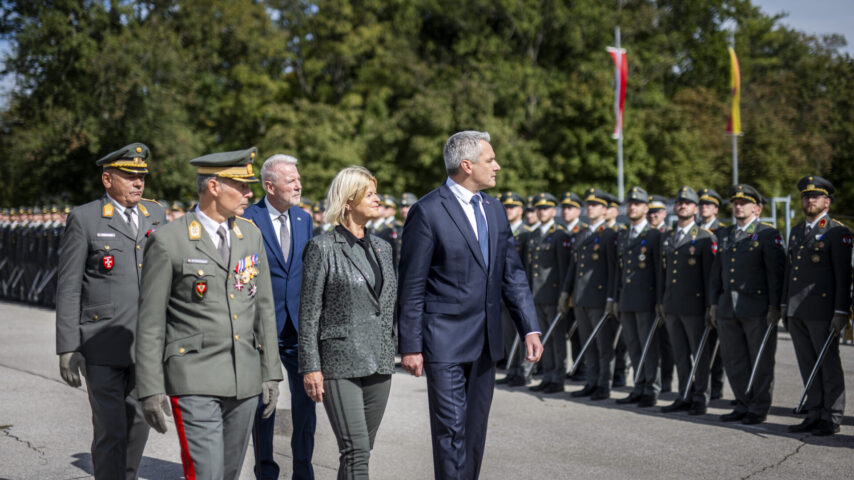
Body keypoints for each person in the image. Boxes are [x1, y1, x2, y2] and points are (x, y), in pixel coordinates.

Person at [397, 131, 543, 479]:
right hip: (443, 341)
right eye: (490, 160)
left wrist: (530, 328)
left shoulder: (493, 209)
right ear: (467, 165)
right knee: (451, 432)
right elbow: (412, 285)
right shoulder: (428, 211)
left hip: (486, 342)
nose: (498, 166)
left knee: (474, 433)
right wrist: (411, 345)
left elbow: (512, 273)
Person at [135, 147, 282, 480]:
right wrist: (149, 386)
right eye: (241, 185)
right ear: (214, 187)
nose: (250, 193)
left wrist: (271, 371)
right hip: (194, 377)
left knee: (228, 474)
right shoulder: (169, 240)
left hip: (244, 379)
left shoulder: (250, 236)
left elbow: (263, 308)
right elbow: (150, 322)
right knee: (206, 474)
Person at [55, 142, 166, 479]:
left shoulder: (156, 215)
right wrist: (67, 346)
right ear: (107, 179)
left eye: (141, 177)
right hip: (100, 342)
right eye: (129, 176)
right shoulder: (85, 218)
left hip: (144, 345)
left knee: (138, 428)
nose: (138, 183)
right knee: (110, 430)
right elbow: (69, 286)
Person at [299, 166, 398, 479]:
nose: (377, 199)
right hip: (339, 362)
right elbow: (309, 312)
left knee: (361, 450)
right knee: (354, 450)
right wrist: (310, 366)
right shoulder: (322, 248)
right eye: (369, 194)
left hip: (380, 361)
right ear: (348, 200)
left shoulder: (384, 247)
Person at [244, 154, 316, 480]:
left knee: (306, 404)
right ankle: (266, 471)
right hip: (263, 328)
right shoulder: (247, 219)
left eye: (298, 179)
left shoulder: (304, 219)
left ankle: (303, 469)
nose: (299, 185)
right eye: (291, 181)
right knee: (265, 406)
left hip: (298, 329)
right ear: (269, 186)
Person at [708, 184, 785, 425]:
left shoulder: (766, 234)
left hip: (756, 308)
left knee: (760, 359)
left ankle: (759, 406)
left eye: (744, 202)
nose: (738, 206)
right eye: (735, 202)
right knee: (734, 359)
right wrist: (713, 303)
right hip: (727, 308)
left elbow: (776, 274)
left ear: (757, 208)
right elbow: (716, 273)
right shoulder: (725, 234)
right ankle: (742, 402)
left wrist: (775, 306)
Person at [782, 176, 852, 436]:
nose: (809, 200)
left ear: (827, 201)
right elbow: (790, 272)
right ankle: (814, 412)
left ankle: (832, 416)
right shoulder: (797, 231)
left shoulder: (837, 231)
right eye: (806, 196)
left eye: (815, 196)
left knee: (828, 365)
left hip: (823, 311)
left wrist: (841, 311)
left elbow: (843, 275)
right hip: (797, 309)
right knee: (807, 364)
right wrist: (783, 305)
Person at [659, 186, 717, 416]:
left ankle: (701, 397)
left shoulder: (704, 237)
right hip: (672, 305)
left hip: (695, 307)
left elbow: (709, 277)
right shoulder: (669, 237)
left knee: (699, 354)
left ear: (695, 208)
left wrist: (710, 305)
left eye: (688, 203)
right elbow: (663, 274)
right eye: (679, 202)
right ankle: (684, 394)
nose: (683, 205)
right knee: (679, 354)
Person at [559, 188, 619, 401]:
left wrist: (612, 297)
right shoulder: (581, 234)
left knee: (603, 346)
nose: (590, 208)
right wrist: (566, 293)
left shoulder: (610, 235)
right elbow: (573, 269)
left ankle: (604, 384)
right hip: (581, 298)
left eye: (595, 205)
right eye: (588, 205)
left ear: (604, 209)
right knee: (587, 344)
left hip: (600, 299)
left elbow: (613, 270)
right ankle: (591, 382)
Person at [613, 187, 663, 408]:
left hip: (646, 300)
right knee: (633, 345)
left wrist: (660, 300)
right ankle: (638, 386)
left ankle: (651, 389)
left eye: (637, 204)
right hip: (626, 300)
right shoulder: (624, 234)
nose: (632, 207)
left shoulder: (653, 235)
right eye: (630, 204)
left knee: (648, 346)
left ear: (645, 208)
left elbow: (659, 271)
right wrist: (613, 298)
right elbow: (618, 270)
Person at [524, 193, 571, 394]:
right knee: (543, 338)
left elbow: (564, 269)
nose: (542, 212)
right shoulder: (534, 236)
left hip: (552, 296)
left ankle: (558, 377)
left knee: (556, 338)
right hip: (536, 295)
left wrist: (564, 294)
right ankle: (548, 375)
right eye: (539, 209)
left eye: (546, 208)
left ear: (553, 211)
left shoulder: (560, 235)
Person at [495, 191, 534, 387]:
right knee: (509, 334)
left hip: (517, 293)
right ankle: (513, 369)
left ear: (521, 210)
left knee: (522, 332)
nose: (508, 210)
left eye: (512, 207)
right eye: (505, 207)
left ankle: (525, 371)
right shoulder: (500, 230)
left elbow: (526, 267)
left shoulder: (527, 234)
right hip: (501, 293)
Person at [698, 187, 727, 400]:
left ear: (716, 209)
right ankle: (701, 383)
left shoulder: (721, 231)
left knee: (716, 344)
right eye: (701, 204)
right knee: (701, 345)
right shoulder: (695, 230)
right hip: (696, 294)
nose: (703, 208)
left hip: (714, 294)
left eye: (708, 205)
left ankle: (716, 385)